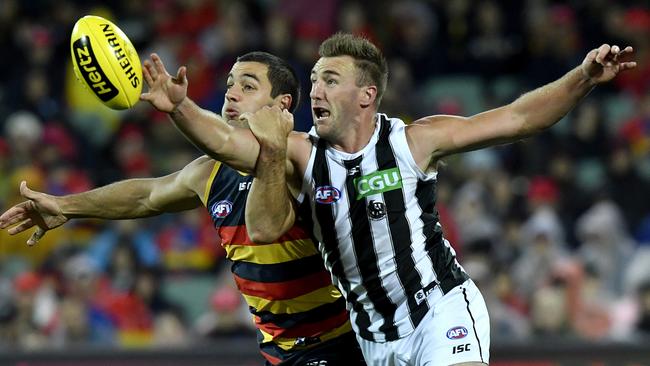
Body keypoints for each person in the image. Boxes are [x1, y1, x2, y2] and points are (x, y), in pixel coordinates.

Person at [135, 32, 635, 365]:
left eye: (331, 81)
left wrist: (584, 77)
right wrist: (181, 108)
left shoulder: (414, 142)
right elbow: (226, 143)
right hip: (374, 341)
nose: (315, 92)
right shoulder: (302, 155)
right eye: (313, 81)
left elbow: (521, 118)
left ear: (367, 95)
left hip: (440, 311)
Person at [0, 51, 365, 366]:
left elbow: (223, 139)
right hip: (278, 349)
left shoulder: (304, 155)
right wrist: (66, 206)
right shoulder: (209, 173)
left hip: (339, 341)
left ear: (281, 105)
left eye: (248, 86)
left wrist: (179, 106)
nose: (232, 94)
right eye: (229, 84)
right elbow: (146, 195)